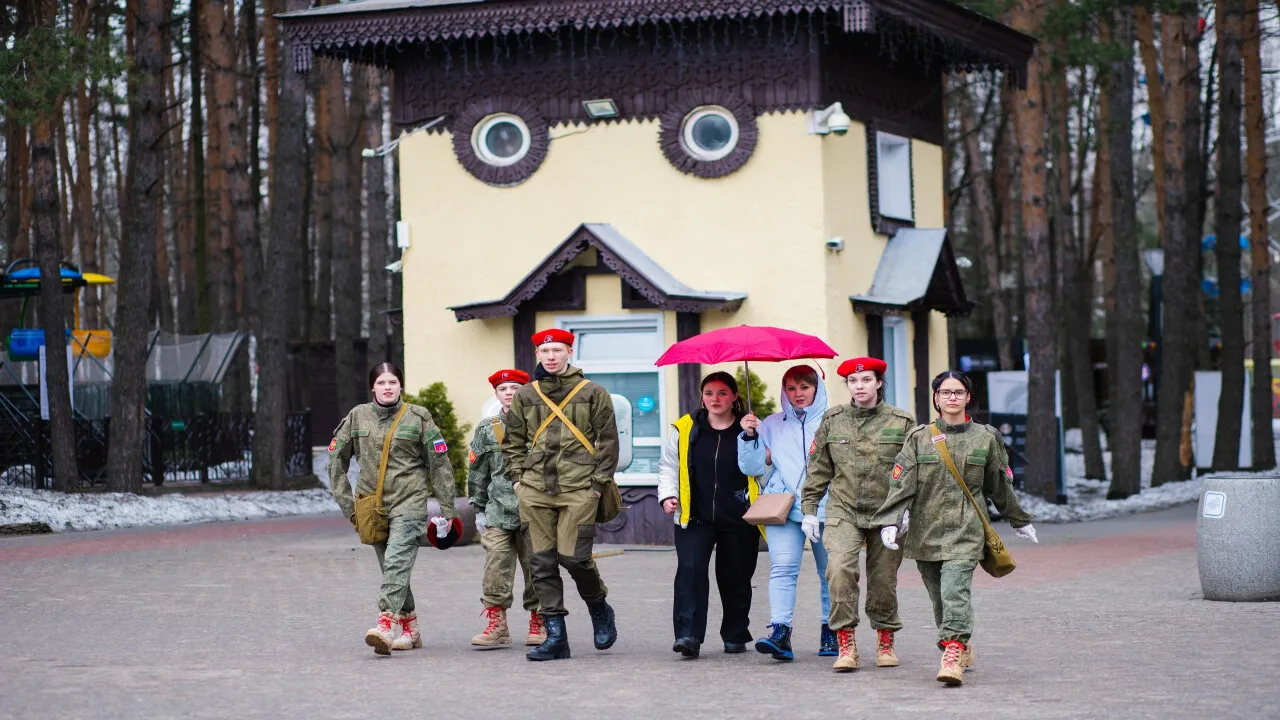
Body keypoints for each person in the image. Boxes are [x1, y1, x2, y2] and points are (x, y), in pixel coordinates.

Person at [871, 370, 1039, 685]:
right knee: (939, 599)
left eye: (958, 392)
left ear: (968, 397)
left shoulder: (986, 437)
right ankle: (958, 643)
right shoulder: (918, 438)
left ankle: (952, 652)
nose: (952, 397)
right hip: (926, 531)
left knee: (954, 590)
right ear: (935, 398)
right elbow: (901, 486)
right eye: (945, 392)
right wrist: (890, 522)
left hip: (967, 530)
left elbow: (999, 486)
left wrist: (1020, 520)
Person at [501, 328, 621, 661]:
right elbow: (512, 442)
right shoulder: (526, 395)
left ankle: (599, 606)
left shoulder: (593, 392)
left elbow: (609, 442)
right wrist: (517, 480)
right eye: (545, 351)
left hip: (579, 488)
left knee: (573, 557)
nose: (551, 357)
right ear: (537, 355)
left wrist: (597, 486)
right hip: (535, 490)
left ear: (570, 352)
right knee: (541, 563)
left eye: (557, 350)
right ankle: (556, 637)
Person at [328, 362, 462, 656]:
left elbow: (439, 464)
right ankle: (411, 630)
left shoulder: (418, 417)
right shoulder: (357, 417)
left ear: (401, 386)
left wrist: (448, 509)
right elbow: (336, 463)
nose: (387, 387)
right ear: (372, 387)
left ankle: (386, 623)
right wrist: (349, 508)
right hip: (371, 507)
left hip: (409, 502)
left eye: (393, 382)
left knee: (397, 561)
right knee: (392, 569)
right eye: (381, 383)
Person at [802, 357, 915, 672]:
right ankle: (846, 642)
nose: (860, 386)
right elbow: (819, 468)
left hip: (886, 512)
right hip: (844, 510)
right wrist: (809, 510)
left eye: (866, 380)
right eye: (853, 381)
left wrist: (906, 509)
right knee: (838, 572)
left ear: (879, 383)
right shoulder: (833, 420)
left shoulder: (901, 421)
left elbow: (912, 470)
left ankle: (885, 640)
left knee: (883, 579)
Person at [657, 372, 762, 659]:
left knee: (736, 577)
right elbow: (668, 466)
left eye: (722, 393)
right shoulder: (686, 428)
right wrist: (667, 495)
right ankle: (688, 635)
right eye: (709, 393)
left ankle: (735, 634)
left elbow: (762, 468)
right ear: (702, 397)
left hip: (739, 517)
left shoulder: (750, 428)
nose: (715, 399)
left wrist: (752, 437)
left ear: (735, 397)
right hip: (694, 516)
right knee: (690, 572)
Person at [738, 364, 833, 662]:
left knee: (831, 573)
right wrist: (749, 436)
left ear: (816, 388)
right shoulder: (770, 424)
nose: (798, 394)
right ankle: (781, 632)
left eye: (804, 387)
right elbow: (752, 468)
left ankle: (832, 629)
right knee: (782, 568)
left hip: (827, 505)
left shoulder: (835, 421)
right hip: (783, 505)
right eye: (791, 388)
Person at [467, 368, 546, 649]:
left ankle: (539, 621)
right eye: (503, 389)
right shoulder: (487, 428)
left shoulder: (542, 424)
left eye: (514, 388)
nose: (509, 393)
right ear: (496, 394)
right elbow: (478, 472)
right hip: (498, 510)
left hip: (535, 509)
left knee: (537, 567)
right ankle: (497, 625)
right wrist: (478, 508)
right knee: (496, 566)